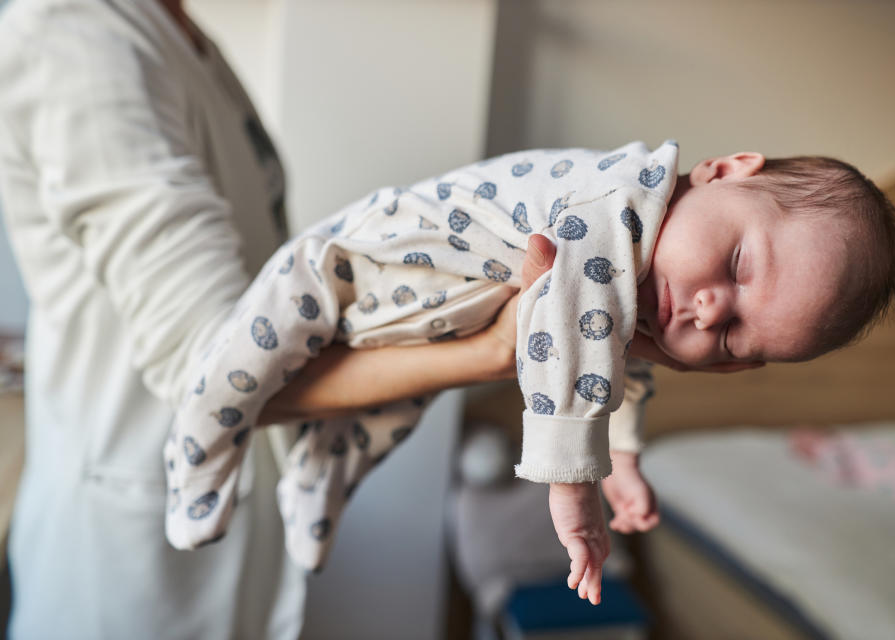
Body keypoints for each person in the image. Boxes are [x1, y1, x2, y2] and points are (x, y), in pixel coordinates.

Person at [0, 0, 553, 637]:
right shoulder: (74, 37)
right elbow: (218, 369)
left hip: (245, 516)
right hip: (129, 569)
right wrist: (487, 350)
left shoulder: (184, 38)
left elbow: (267, 311)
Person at [163, 138, 895, 605]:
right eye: (741, 265)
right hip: (340, 271)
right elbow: (573, 338)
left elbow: (614, 368)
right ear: (721, 172)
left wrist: (622, 456)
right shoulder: (613, 206)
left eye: (740, 340)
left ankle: (315, 482)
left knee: (382, 420)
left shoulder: (635, 299)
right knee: (235, 370)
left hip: (415, 326)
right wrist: (573, 486)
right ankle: (198, 455)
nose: (713, 312)